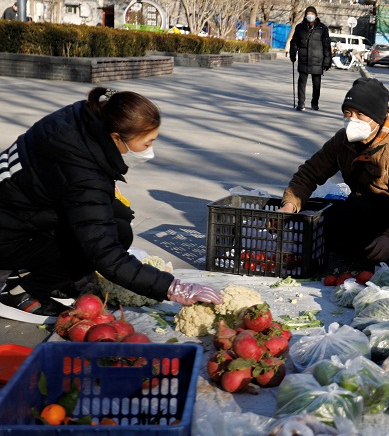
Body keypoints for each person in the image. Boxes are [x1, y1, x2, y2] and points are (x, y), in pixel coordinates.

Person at [0, 87, 224, 324]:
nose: (149, 152)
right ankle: (21, 291)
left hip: (17, 212)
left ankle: (47, 277)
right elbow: (106, 253)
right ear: (116, 137)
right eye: (146, 143)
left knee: (116, 213)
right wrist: (171, 287)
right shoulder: (85, 176)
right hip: (8, 234)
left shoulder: (80, 117)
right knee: (114, 234)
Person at [278, 77, 389, 269]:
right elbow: (310, 172)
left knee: (361, 239)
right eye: (348, 113)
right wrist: (290, 204)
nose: (352, 120)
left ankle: (388, 256)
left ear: (377, 117)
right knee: (322, 222)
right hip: (362, 207)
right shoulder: (342, 140)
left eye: (360, 114)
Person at [289, 6, 332, 111]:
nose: (310, 16)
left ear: (316, 16)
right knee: (301, 82)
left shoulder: (322, 28)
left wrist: (327, 60)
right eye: (308, 14)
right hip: (303, 59)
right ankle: (301, 103)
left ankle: (315, 102)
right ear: (305, 15)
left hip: (318, 60)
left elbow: (326, 45)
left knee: (316, 83)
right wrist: (292, 53)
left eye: (312, 14)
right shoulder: (300, 27)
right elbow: (294, 42)